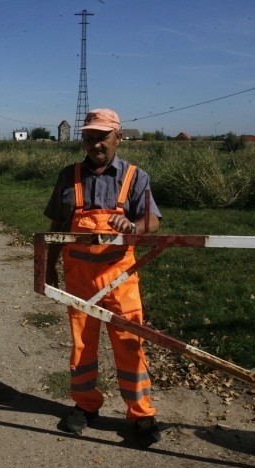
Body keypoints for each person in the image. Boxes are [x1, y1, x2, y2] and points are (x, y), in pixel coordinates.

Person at [43, 109, 162, 447]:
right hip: (79, 279)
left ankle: (141, 414)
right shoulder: (69, 176)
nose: (95, 143)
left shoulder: (136, 177)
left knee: (129, 344)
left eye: (102, 136)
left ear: (118, 138)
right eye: (90, 136)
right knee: (82, 346)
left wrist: (133, 227)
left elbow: (152, 223)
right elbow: (57, 227)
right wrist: (49, 266)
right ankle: (85, 405)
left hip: (120, 279)